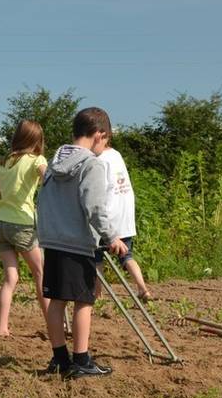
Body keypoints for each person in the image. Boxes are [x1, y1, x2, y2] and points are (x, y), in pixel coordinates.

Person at [37, 107, 128, 379]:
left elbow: (42, 202)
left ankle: (60, 358)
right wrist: (111, 236)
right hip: (77, 244)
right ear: (99, 134)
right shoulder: (92, 165)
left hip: (53, 242)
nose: (105, 146)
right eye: (106, 139)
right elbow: (95, 206)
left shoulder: (53, 165)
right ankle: (81, 360)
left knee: (56, 301)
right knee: (83, 302)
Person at [0, 120, 49, 337]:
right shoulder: (37, 160)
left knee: (10, 278)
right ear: (36, 140)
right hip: (23, 224)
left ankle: (1, 328)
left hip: (1, 223)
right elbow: (49, 178)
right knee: (41, 274)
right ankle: (53, 323)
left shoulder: (5, 161)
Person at [93, 138, 153, 301]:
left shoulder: (98, 160)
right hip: (125, 217)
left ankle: (97, 294)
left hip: (109, 217)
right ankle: (143, 289)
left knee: (96, 256)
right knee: (127, 256)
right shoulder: (116, 154)